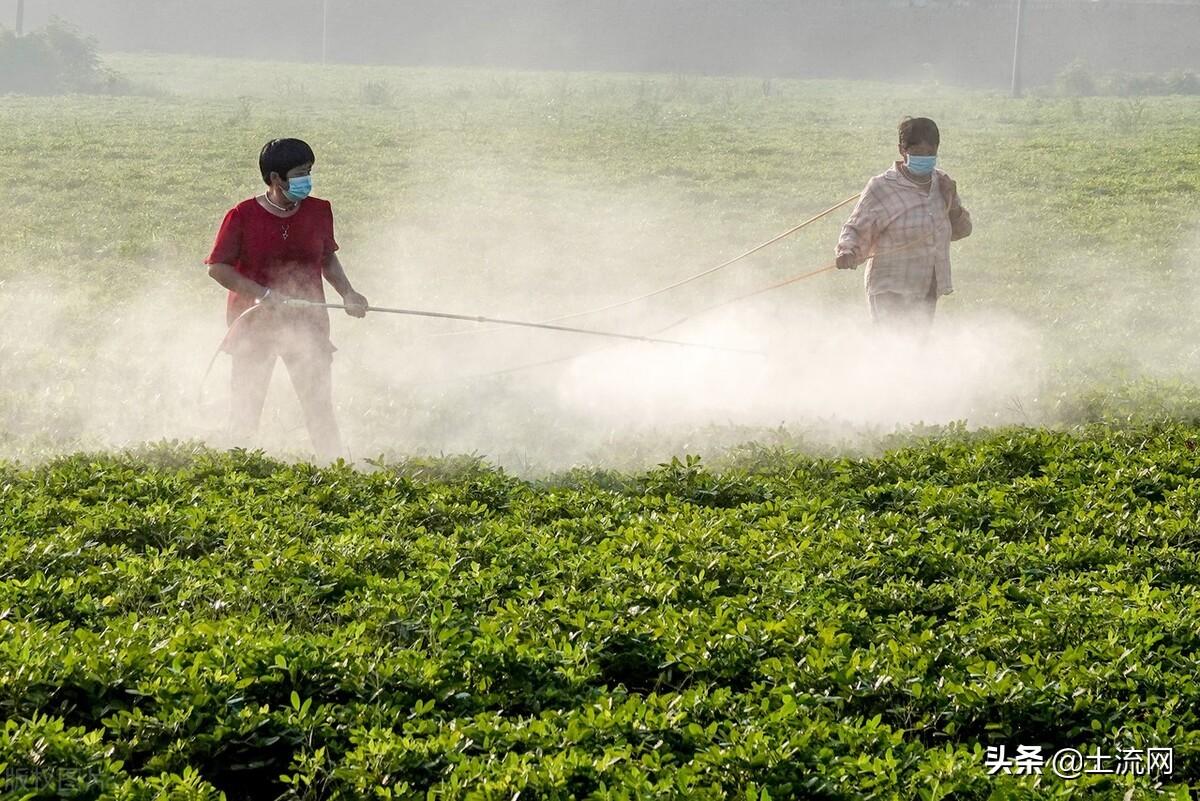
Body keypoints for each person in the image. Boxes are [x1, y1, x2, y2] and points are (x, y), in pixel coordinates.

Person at [205, 138, 369, 460]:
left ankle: (333, 466)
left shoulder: (320, 211)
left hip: (308, 324)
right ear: (276, 178)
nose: (307, 179)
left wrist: (348, 293)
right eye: (300, 173)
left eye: (309, 171)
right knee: (245, 410)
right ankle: (235, 471)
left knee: (319, 408)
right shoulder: (242, 215)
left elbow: (327, 259)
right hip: (254, 326)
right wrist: (264, 295)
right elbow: (218, 269)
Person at [835, 117, 972, 333]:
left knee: (917, 351)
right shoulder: (881, 187)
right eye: (918, 153)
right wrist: (847, 251)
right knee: (893, 349)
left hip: (927, 287)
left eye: (930, 153)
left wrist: (951, 201)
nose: (925, 158)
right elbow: (856, 227)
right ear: (902, 150)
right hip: (891, 288)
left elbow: (963, 230)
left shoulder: (943, 184)